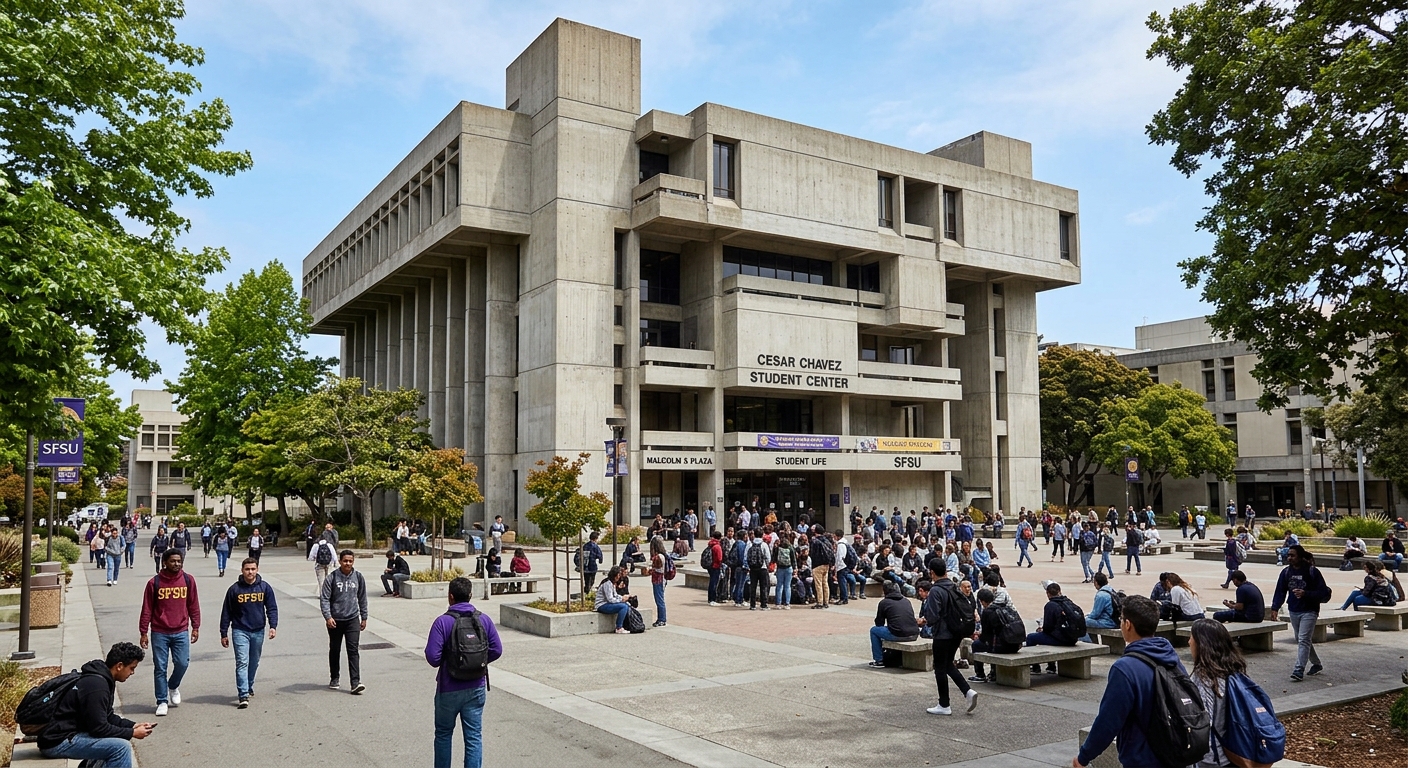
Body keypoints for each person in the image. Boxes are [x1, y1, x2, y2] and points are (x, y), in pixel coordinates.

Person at [1075, 595, 1189, 768]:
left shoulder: (1125, 668)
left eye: (1121, 619)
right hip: (1176, 751)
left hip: (1143, 758)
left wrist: (1083, 757)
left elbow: (1108, 721)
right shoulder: (1170, 656)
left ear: (1127, 624)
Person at [424, 576, 502, 768]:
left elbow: (433, 658)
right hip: (476, 686)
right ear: (470, 595)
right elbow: (497, 649)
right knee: (474, 737)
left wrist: (452, 662)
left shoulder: (442, 622)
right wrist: (478, 663)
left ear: (450, 597)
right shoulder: (484, 619)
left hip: (448, 687)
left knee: (443, 734)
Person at [37, 641, 155, 766]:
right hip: (57, 742)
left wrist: (133, 726)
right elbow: (99, 728)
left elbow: (108, 716)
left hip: (68, 735)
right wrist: (132, 733)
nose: (132, 673)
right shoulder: (97, 686)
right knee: (120, 748)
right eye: (132, 668)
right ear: (119, 666)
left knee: (116, 740)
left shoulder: (103, 679)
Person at [139, 549, 200, 716]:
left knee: (182, 663)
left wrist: (196, 627)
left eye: (179, 561)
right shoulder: (154, 583)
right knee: (160, 667)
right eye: (173, 561)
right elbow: (147, 609)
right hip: (160, 632)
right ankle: (161, 701)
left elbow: (193, 605)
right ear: (165, 562)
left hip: (181, 630)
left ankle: (172, 685)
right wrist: (143, 631)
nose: (176, 564)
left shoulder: (188, 580)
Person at [1187, 618, 1252, 768]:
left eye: (1191, 638)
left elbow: (1203, 725)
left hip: (1214, 759)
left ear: (1201, 643)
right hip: (1237, 752)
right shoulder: (1235, 671)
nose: (1189, 642)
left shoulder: (1204, 678)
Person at [917, 558, 977, 715]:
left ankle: (944, 704)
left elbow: (932, 616)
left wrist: (924, 620)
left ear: (932, 572)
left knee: (940, 668)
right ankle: (968, 691)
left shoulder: (936, 590)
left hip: (942, 634)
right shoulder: (953, 586)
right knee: (948, 664)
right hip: (956, 632)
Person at [219, 557, 278, 708]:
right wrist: (223, 632)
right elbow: (226, 612)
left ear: (257, 570)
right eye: (247, 569)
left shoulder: (265, 587)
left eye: (253, 569)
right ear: (242, 570)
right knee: (242, 662)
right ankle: (243, 694)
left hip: (258, 630)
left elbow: (271, 608)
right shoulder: (234, 589)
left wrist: (273, 626)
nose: (250, 572)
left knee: (254, 662)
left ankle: (249, 685)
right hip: (240, 630)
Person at [1270, 545, 1331, 682]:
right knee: (1301, 639)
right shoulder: (1286, 572)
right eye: (1289, 555)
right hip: (1294, 609)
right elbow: (1280, 591)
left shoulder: (1312, 572)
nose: (1289, 558)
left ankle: (1299, 669)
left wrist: (1306, 593)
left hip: (1310, 610)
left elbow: (1322, 592)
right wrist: (1275, 608)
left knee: (1303, 639)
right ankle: (1316, 664)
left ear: (1300, 556)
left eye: (1293, 555)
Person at [320, 550, 368, 694]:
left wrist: (364, 617)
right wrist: (328, 617)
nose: (348, 563)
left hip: (352, 619)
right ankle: (334, 677)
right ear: (340, 561)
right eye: (345, 561)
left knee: (353, 650)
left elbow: (362, 598)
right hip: (335, 620)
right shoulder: (332, 578)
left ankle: (355, 682)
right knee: (335, 649)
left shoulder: (358, 577)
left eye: (350, 561)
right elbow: (325, 599)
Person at [967, 587, 1022, 684]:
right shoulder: (1006, 607)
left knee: (977, 645)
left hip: (1002, 647)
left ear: (982, 601)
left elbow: (985, 637)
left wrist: (978, 636)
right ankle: (993, 672)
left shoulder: (988, 612)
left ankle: (980, 674)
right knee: (993, 641)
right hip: (1015, 645)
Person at [1026, 581, 1082, 675]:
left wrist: (1042, 629)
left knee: (1031, 637)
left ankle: (1035, 667)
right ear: (1059, 591)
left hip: (1062, 639)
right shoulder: (1068, 602)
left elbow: (1048, 627)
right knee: (1047, 635)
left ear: (1048, 594)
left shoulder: (1050, 605)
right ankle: (1051, 667)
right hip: (1072, 638)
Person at [867, 582, 921, 667]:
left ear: (884, 591)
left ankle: (879, 660)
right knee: (890, 629)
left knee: (874, 630)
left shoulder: (884, 603)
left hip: (899, 633)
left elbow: (879, 623)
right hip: (914, 633)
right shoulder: (906, 601)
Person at [594, 566, 632, 633]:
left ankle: (624, 625)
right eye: (619, 575)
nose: (619, 577)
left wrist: (623, 598)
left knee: (626, 605)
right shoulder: (607, 584)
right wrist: (621, 600)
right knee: (623, 607)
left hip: (606, 603)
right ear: (616, 575)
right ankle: (619, 627)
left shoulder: (612, 584)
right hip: (601, 605)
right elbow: (610, 599)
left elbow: (615, 595)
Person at [648, 536, 671, 626]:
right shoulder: (663, 555)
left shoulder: (658, 557)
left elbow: (658, 569)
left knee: (659, 599)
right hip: (662, 578)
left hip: (659, 579)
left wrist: (651, 569)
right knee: (659, 599)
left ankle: (662, 619)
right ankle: (661, 618)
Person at [773, 533, 796, 609]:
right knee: (787, 586)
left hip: (780, 568)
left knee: (779, 585)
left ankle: (778, 603)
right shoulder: (790, 547)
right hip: (789, 568)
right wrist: (795, 568)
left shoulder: (778, 548)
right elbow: (793, 559)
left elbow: (774, 558)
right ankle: (787, 604)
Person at [704, 531, 725, 605]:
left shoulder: (711, 544)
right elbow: (719, 558)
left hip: (710, 566)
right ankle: (713, 599)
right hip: (716, 566)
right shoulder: (717, 546)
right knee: (714, 583)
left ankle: (710, 599)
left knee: (711, 582)